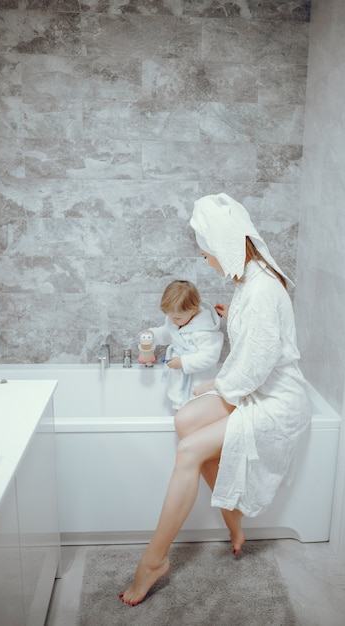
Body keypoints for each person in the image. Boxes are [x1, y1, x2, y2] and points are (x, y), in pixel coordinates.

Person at [120, 193, 311, 606]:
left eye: (207, 252)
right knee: (185, 421)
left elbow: (255, 366)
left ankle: (154, 561)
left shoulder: (260, 291)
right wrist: (231, 319)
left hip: (275, 401)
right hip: (254, 386)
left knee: (189, 449)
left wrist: (212, 386)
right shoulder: (251, 279)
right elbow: (258, 340)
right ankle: (233, 519)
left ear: (225, 245)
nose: (206, 260)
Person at [142, 280, 224, 410]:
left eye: (177, 318)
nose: (173, 321)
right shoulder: (178, 321)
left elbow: (209, 357)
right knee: (181, 409)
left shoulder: (204, 331)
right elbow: (168, 333)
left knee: (195, 414)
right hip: (179, 383)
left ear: (192, 311)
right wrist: (152, 334)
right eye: (171, 317)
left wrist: (183, 362)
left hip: (198, 384)